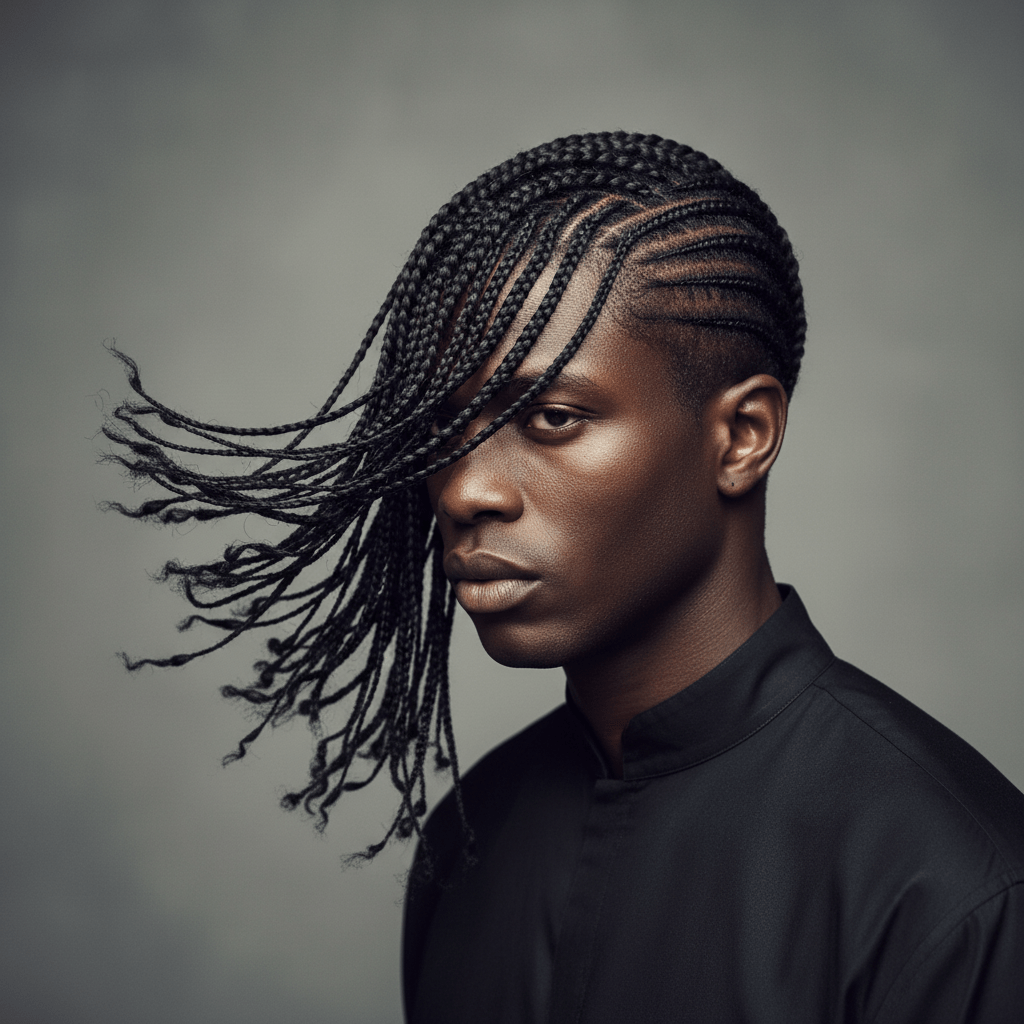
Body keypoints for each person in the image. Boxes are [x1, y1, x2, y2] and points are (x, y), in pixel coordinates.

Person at [107, 133, 1024, 1022]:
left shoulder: (957, 893)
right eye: (440, 435)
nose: (463, 489)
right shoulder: (470, 843)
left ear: (743, 437)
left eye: (550, 417)